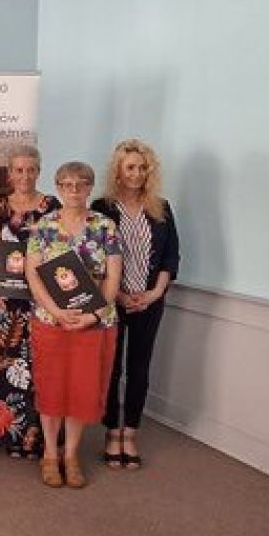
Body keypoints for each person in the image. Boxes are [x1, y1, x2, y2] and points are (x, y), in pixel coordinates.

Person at [25, 161, 122, 489]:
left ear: (90, 188)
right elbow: (32, 274)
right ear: (58, 188)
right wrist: (54, 309)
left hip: (93, 324)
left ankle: (71, 455)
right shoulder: (43, 226)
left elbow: (112, 277)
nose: (74, 190)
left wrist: (93, 315)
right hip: (51, 321)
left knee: (81, 389)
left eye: (81, 184)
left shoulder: (105, 227)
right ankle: (50, 455)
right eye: (67, 184)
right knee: (52, 387)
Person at [92, 139, 180, 469]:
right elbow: (95, 257)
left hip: (149, 301)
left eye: (143, 168)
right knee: (112, 368)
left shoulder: (161, 208)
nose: (137, 173)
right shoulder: (102, 208)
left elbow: (171, 256)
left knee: (139, 368)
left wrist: (155, 293)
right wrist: (117, 295)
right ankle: (111, 431)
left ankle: (130, 432)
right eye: (130, 167)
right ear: (118, 170)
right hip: (112, 301)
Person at [0, 146, 60, 460]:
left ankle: (37, 435)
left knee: (39, 364)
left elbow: (60, 250)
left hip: (41, 299)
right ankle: (9, 434)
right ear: (10, 174)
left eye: (31, 169)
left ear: (39, 171)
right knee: (7, 362)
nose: (25, 175)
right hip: (6, 300)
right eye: (19, 170)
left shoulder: (51, 207)